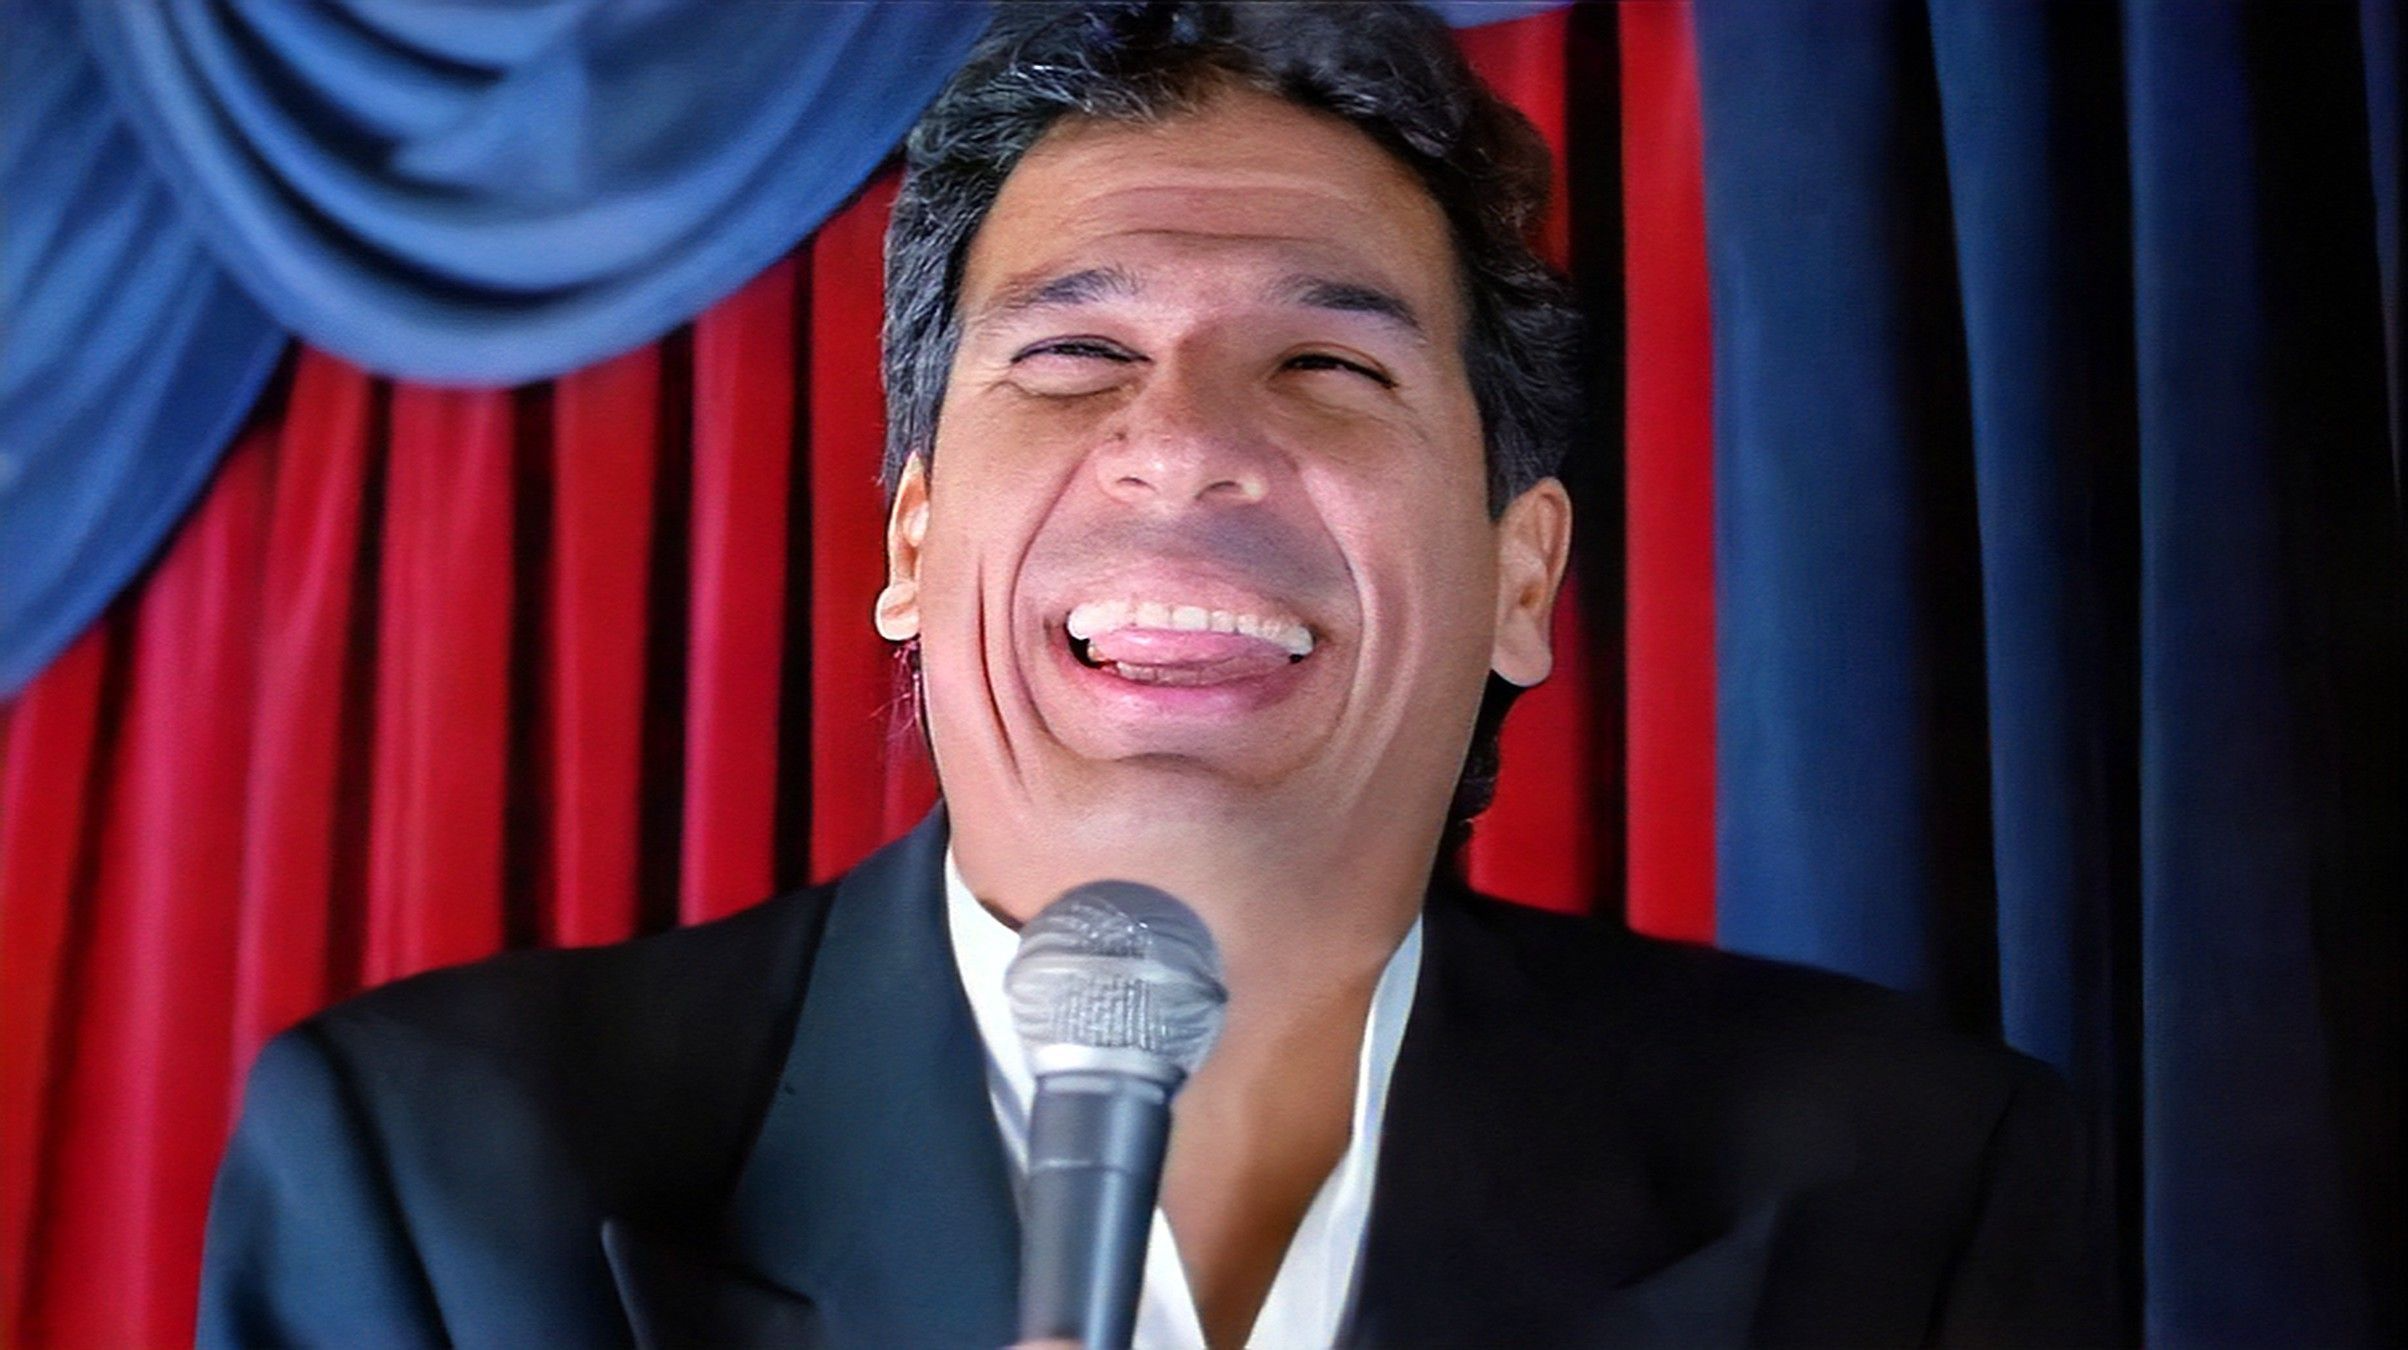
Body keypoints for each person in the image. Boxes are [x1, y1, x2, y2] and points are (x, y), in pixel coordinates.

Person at [199, 4, 2112, 1346]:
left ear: (1523, 578)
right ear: (910, 544)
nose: (1182, 445)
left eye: (1329, 365)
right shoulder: (435, 1178)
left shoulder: (1908, 1187)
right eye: (1074, 357)